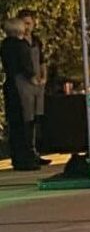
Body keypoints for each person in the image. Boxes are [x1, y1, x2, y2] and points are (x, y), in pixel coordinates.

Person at [2, 16, 44, 170]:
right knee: (26, 121)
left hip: (10, 85)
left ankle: (17, 157)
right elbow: (26, 66)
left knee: (14, 124)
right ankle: (27, 158)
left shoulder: (5, 45)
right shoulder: (21, 45)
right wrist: (34, 78)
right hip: (22, 87)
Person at [17, 9, 46, 157]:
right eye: (24, 24)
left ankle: (36, 150)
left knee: (37, 117)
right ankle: (28, 151)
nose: (27, 27)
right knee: (27, 117)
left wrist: (44, 76)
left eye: (29, 23)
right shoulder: (18, 43)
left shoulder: (37, 41)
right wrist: (31, 77)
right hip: (25, 84)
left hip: (38, 83)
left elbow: (42, 60)